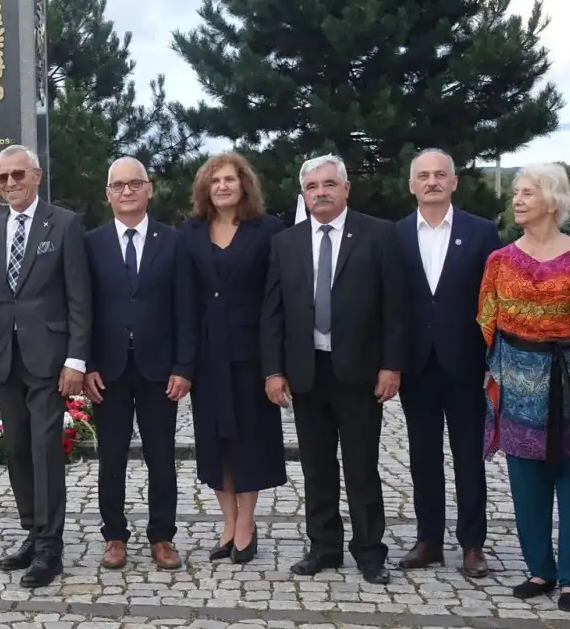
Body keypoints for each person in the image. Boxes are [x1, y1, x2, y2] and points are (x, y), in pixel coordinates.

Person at [260, 154, 405, 584]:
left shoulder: (378, 234)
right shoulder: (285, 242)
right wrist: (273, 371)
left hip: (359, 370)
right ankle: (324, 547)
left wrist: (391, 365)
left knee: (362, 465)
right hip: (307, 371)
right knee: (316, 466)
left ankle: (370, 551)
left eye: (328, 184)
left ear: (345, 188)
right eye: (312, 187)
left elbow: (395, 307)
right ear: (303, 194)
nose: (320, 193)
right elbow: (273, 313)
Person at [0, 144, 92, 588]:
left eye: (18, 174)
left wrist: (76, 359)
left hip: (49, 360)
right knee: (18, 450)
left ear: (36, 176)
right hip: (5, 359)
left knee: (44, 450)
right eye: (2, 177)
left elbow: (80, 297)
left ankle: (49, 546)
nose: (10, 184)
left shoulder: (64, 224)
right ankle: (32, 530)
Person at [479, 163, 570, 613]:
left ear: (552, 201)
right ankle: (540, 569)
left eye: (527, 193)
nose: (517, 200)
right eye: (516, 192)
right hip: (519, 385)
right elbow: (487, 319)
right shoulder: (500, 260)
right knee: (525, 482)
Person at [84, 157, 195, 571]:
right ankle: (114, 536)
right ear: (107, 194)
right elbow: (83, 308)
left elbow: (187, 308)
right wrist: (87, 363)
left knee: (161, 456)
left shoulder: (174, 242)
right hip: (107, 369)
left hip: (160, 369)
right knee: (111, 457)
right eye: (118, 185)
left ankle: (162, 536)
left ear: (149, 189)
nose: (127, 191)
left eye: (135, 184)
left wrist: (184, 366)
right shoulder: (91, 243)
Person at [396, 148, 501, 577]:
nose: (432, 181)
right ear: (412, 185)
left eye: (440, 174)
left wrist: (492, 358)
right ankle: (429, 540)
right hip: (416, 363)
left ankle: (473, 543)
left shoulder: (482, 232)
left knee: (468, 456)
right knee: (423, 455)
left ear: (454, 182)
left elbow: (493, 299)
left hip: (466, 363)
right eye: (423, 175)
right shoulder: (397, 234)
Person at [183, 152, 286, 564]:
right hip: (207, 353)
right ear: (205, 189)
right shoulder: (190, 232)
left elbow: (276, 297)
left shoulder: (269, 230)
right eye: (215, 181)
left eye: (229, 179)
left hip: (251, 353)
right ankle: (227, 524)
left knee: (248, 440)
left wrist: (276, 364)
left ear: (244, 184)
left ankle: (247, 523)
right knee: (214, 443)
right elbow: (185, 297)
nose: (222, 186)